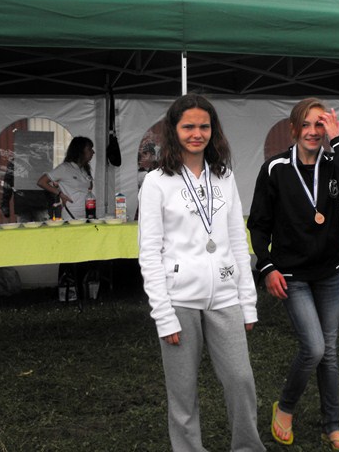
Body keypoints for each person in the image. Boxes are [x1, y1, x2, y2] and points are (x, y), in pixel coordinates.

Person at [138, 94, 264, 452]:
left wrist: (248, 303)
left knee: (241, 379)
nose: (197, 134)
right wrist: (163, 315)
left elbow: (238, 241)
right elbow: (149, 252)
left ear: (213, 130)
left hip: (224, 295)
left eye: (204, 126)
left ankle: (247, 447)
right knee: (182, 391)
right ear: (173, 130)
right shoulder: (157, 182)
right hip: (179, 300)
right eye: (188, 126)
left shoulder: (224, 177)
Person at [248, 98, 339, 452]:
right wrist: (267, 266)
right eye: (306, 124)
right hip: (292, 274)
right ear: (294, 129)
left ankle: (333, 426)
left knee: (329, 351)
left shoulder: (333, 164)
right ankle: (285, 407)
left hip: (329, 273)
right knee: (314, 347)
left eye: (320, 125)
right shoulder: (275, 169)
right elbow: (259, 224)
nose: (313, 132)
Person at [36, 136, 94, 220]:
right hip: (72, 213)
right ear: (80, 151)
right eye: (89, 149)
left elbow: (88, 189)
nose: (93, 152)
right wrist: (60, 194)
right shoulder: (65, 168)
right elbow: (41, 182)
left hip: (87, 211)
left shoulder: (84, 169)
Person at [133, 141, 159, 220]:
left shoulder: (144, 173)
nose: (144, 157)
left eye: (145, 153)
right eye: (143, 154)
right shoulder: (142, 174)